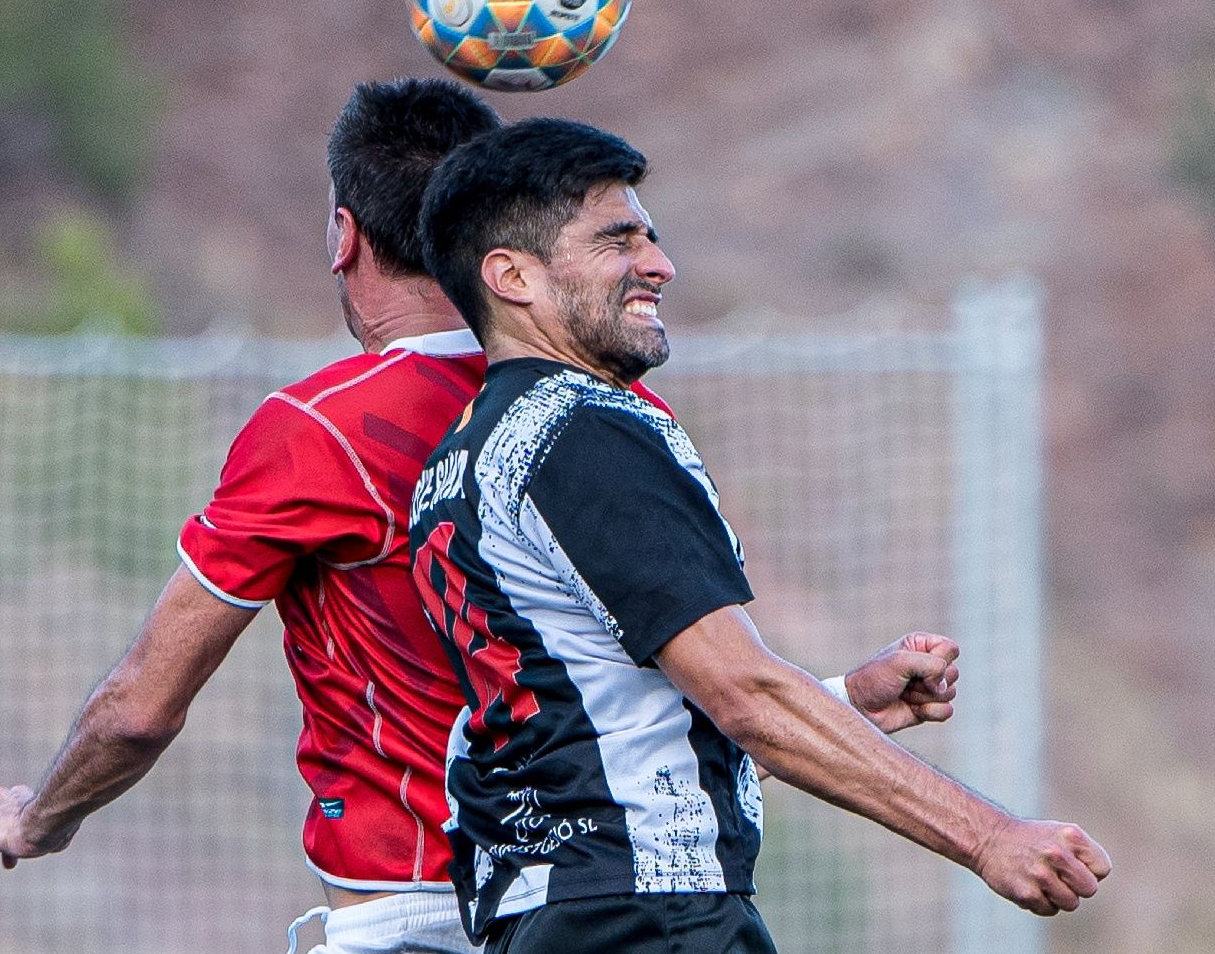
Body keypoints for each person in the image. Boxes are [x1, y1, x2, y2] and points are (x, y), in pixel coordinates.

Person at [0, 81, 967, 954]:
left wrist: (40, 815)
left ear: (341, 234)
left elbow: (139, 708)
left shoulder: (315, 431)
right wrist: (840, 697)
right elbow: (648, 705)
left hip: (416, 916)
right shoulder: (610, 414)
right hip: (581, 905)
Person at [409, 117, 1112, 954]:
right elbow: (744, 692)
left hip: (555, 919)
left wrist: (846, 699)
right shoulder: (581, 432)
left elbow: (599, 729)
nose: (659, 264)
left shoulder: (457, 463)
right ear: (511, 275)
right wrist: (988, 835)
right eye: (617, 239)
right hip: (651, 919)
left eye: (653, 237)